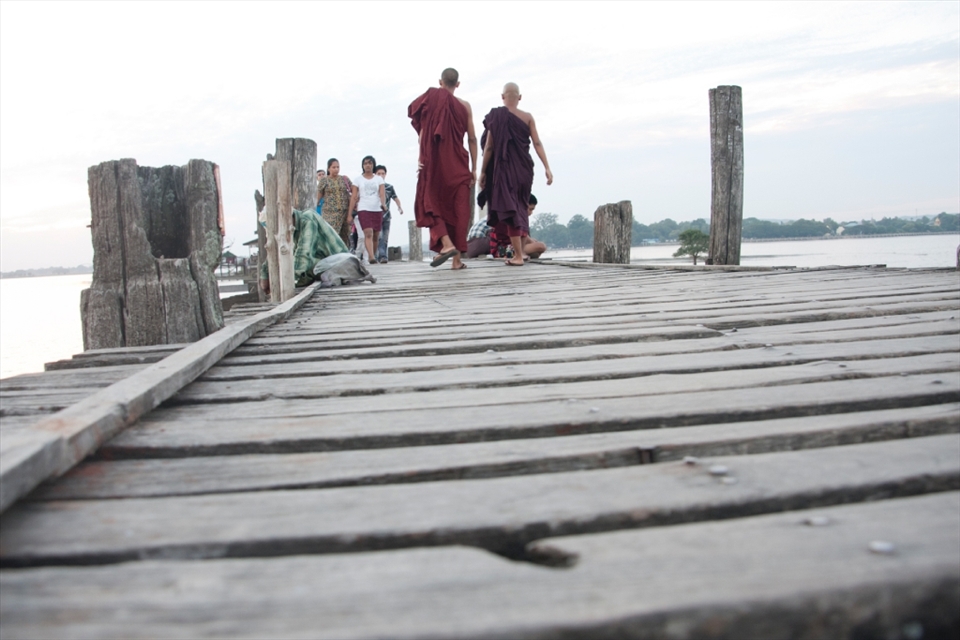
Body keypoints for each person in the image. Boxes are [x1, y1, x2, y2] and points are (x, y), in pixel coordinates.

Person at [408, 67, 477, 270]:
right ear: (458, 84)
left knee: (431, 203)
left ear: (440, 82)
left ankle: (447, 245)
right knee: (460, 210)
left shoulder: (430, 98)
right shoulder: (465, 106)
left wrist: (421, 159)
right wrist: (474, 167)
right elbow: (472, 138)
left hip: (434, 164)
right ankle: (456, 260)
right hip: (458, 164)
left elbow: (422, 131)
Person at [477, 82, 553, 266]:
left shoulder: (496, 117)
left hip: (503, 171)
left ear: (502, 97)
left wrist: (483, 172)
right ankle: (518, 254)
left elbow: (489, 147)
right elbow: (537, 143)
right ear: (520, 97)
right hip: (523, 171)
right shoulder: (527, 118)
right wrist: (547, 167)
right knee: (519, 208)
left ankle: (518, 256)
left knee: (510, 210)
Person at [259, 208, 349, 294]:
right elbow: (272, 253)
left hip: (340, 266)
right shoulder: (288, 232)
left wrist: (285, 284)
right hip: (322, 267)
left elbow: (303, 256)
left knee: (298, 266)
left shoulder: (308, 218)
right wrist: (265, 275)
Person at [467, 194, 546, 260]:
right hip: (503, 250)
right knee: (540, 246)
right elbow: (523, 236)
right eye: (530, 209)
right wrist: (535, 244)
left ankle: (522, 253)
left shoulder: (516, 218)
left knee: (536, 247)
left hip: (507, 247)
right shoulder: (511, 218)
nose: (531, 213)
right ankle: (519, 253)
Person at [348, 155, 387, 266]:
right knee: (368, 232)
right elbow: (354, 197)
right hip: (363, 208)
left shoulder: (378, 179)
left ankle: (372, 255)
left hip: (376, 208)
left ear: (373, 165)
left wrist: (383, 204)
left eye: (370, 163)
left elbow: (382, 193)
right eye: (365, 163)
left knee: (376, 235)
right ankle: (371, 256)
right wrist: (350, 214)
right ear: (363, 165)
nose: (368, 165)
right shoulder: (357, 180)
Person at [317, 158, 354, 245]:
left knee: (345, 237)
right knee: (331, 236)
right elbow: (318, 197)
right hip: (330, 214)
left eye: (338, 167)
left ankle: (343, 256)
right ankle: (330, 256)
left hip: (344, 213)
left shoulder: (344, 179)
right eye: (334, 167)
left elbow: (354, 192)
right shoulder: (324, 181)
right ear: (329, 168)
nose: (336, 169)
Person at [374, 165, 404, 263]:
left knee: (385, 238)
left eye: (383, 173)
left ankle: (383, 256)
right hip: (375, 215)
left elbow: (395, 198)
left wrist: (399, 207)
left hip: (386, 216)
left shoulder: (389, 187)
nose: (381, 175)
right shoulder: (372, 187)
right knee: (379, 236)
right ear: (375, 174)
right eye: (379, 174)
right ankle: (381, 256)